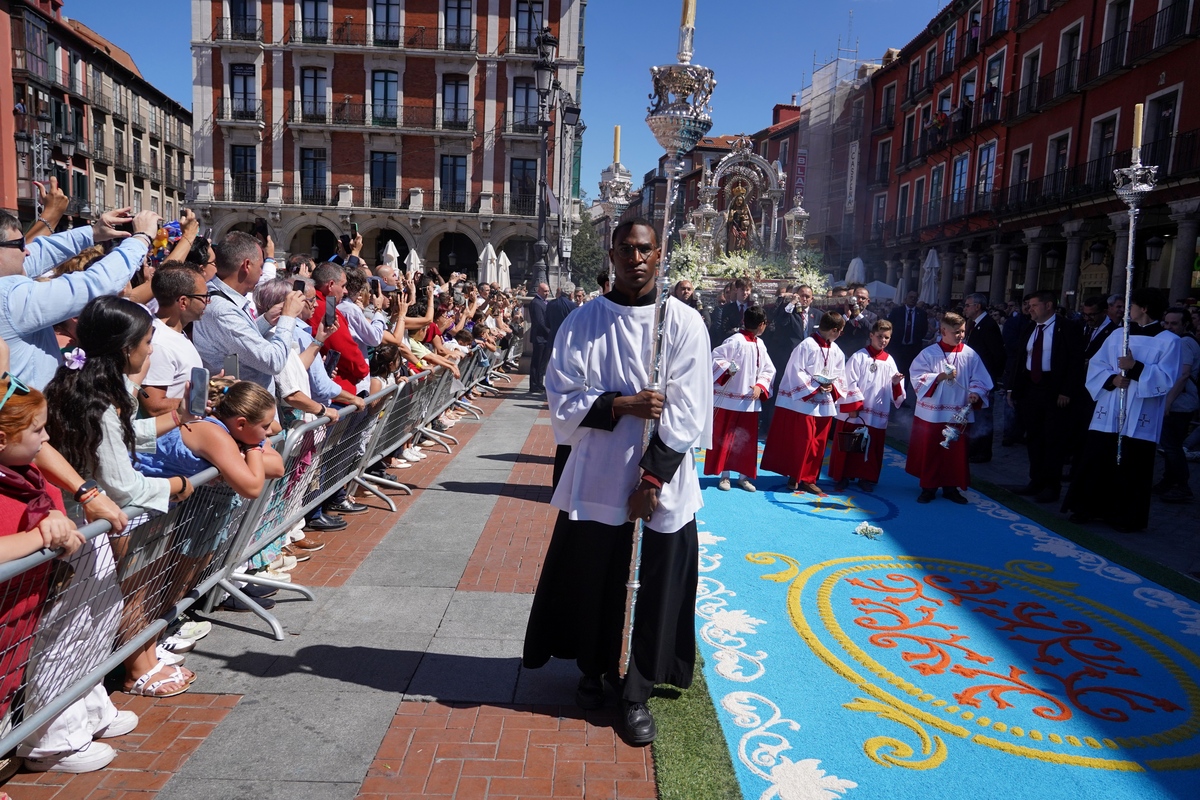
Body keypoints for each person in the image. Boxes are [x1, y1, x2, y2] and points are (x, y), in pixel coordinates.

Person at [523, 218, 712, 746]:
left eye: (645, 249)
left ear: (660, 254)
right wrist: (620, 404)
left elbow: (690, 405)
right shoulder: (584, 320)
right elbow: (560, 397)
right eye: (626, 249)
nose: (635, 258)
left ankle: (637, 689)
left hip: (664, 473)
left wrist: (652, 476)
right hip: (601, 468)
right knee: (595, 573)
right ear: (611, 254)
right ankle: (593, 666)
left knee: (656, 581)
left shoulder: (684, 322)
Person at [43, 296, 198, 701]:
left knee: (97, 615)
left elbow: (121, 439)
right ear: (126, 348)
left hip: (87, 526)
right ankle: (62, 721)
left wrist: (174, 421)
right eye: (147, 342)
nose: (151, 351)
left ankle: (88, 709)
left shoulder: (85, 389)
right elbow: (123, 485)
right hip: (84, 529)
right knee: (78, 624)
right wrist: (176, 486)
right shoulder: (100, 405)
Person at [0, 208, 157, 390]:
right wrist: (141, 238)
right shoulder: (9, 299)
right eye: (19, 244)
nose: (26, 251)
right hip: (28, 417)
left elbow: (40, 253)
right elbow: (97, 283)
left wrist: (93, 233)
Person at [1064, 289, 1180, 531]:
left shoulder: (1170, 341)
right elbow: (1097, 364)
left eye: (1132, 304)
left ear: (1145, 308)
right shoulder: (1118, 335)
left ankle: (1125, 516)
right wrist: (1112, 379)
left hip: (1141, 412)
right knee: (1097, 458)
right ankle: (1087, 507)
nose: (1127, 309)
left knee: (1133, 465)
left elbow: (1168, 378)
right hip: (1110, 407)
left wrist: (1135, 367)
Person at [193, 231, 306, 395]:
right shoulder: (222, 310)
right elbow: (273, 362)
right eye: (260, 266)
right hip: (244, 412)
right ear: (246, 265)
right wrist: (288, 317)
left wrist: (266, 320)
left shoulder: (219, 296)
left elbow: (234, 344)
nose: (262, 272)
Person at [1004, 291, 1085, 504]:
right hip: (1031, 388)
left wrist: (1066, 390)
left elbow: (1076, 362)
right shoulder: (1030, 327)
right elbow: (1020, 359)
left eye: (1033, 305)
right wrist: (1012, 389)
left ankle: (1051, 485)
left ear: (1048, 305)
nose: (1029, 309)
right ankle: (1036, 481)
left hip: (1055, 390)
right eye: (1028, 305)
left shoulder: (1067, 327)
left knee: (1053, 439)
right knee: (1034, 437)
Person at [904, 312, 993, 504]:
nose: (960, 335)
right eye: (956, 332)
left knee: (955, 451)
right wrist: (939, 377)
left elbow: (980, 379)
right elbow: (917, 376)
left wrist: (976, 392)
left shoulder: (969, 355)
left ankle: (951, 488)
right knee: (932, 450)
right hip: (932, 412)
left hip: (958, 412)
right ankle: (928, 487)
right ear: (943, 331)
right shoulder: (929, 353)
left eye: (962, 331)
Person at [760, 312, 849, 496]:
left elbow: (841, 374)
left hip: (824, 402)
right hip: (804, 403)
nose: (840, 334)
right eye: (840, 331)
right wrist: (817, 386)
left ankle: (809, 478)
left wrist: (831, 385)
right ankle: (796, 475)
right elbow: (795, 371)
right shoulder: (806, 346)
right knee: (804, 440)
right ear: (834, 330)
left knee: (818, 443)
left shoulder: (837, 351)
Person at [829, 320, 905, 493]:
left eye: (887, 337)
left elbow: (897, 393)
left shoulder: (889, 361)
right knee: (849, 443)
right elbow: (848, 381)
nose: (883, 340)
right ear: (871, 336)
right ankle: (843, 476)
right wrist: (854, 405)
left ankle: (866, 477)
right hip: (856, 411)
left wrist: (895, 383)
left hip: (877, 411)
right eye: (879, 336)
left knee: (872, 445)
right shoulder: (859, 356)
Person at [705, 305, 775, 492]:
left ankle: (743, 477)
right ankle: (725, 475)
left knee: (747, 440)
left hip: (750, 400)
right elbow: (715, 358)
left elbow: (768, 369)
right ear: (761, 324)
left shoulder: (760, 344)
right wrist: (728, 369)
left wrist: (761, 386)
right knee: (726, 438)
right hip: (730, 399)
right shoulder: (735, 340)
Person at [139, 265, 209, 417]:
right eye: (203, 297)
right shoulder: (159, 344)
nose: (207, 302)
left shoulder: (172, 334)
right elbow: (153, 406)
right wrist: (204, 399)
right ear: (183, 302)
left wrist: (210, 387)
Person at [1157, 307, 1198, 504]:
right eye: (1167, 322)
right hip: (1179, 402)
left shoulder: (1183, 343)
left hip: (1179, 404)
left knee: (1172, 447)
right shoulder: (1181, 341)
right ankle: (1168, 481)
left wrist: (1167, 402)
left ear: (1185, 324)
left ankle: (1182, 485)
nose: (1169, 327)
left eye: (1174, 323)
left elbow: (1183, 375)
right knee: (1170, 445)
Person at [963, 292, 1006, 463]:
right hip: (975, 378)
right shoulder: (974, 325)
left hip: (984, 380)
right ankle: (974, 448)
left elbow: (997, 355)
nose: (965, 308)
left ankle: (982, 451)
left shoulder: (987, 325)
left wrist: (989, 377)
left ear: (977, 306)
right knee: (976, 414)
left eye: (968, 305)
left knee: (984, 415)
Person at [886, 290, 928, 378]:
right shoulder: (897, 311)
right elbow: (889, 326)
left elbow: (924, 330)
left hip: (912, 348)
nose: (912, 299)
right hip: (897, 347)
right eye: (911, 297)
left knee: (908, 373)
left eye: (915, 298)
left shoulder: (922, 314)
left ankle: (904, 390)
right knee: (895, 371)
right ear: (906, 298)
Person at [712, 278, 751, 344]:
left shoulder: (753, 307)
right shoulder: (727, 308)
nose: (745, 293)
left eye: (747, 290)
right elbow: (724, 329)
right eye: (742, 289)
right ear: (736, 290)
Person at [528, 282, 551, 393]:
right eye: (545, 291)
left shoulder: (543, 302)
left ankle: (539, 383)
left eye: (548, 291)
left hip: (544, 338)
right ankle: (534, 384)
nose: (547, 293)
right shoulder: (536, 303)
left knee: (543, 363)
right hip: (539, 337)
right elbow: (540, 322)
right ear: (539, 291)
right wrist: (550, 332)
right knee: (537, 362)